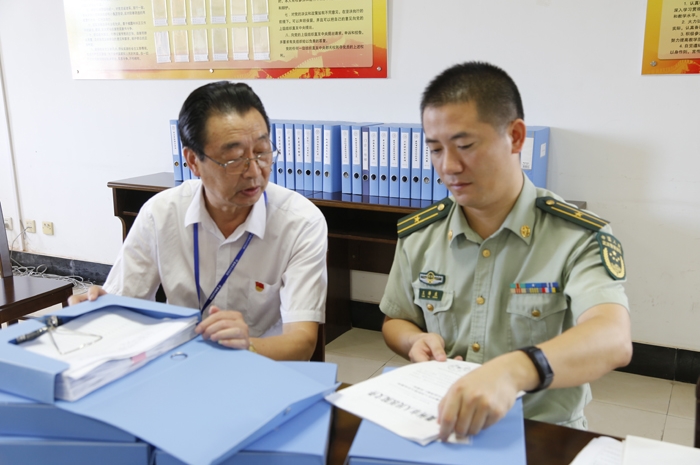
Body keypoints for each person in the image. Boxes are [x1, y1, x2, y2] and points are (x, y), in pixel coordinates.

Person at [380, 62, 632, 440]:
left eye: (465, 146)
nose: (448, 166)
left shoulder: (576, 237)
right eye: (435, 149)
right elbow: (396, 320)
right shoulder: (421, 235)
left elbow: (612, 338)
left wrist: (514, 370)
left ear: (515, 137)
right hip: (446, 426)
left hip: (541, 435)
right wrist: (414, 341)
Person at [70, 81, 327, 361]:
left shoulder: (300, 222)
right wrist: (99, 310)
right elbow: (123, 304)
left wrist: (247, 346)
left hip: (262, 365)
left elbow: (302, 342)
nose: (254, 171)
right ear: (193, 161)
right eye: (234, 159)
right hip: (178, 363)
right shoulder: (161, 214)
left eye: (262, 152)